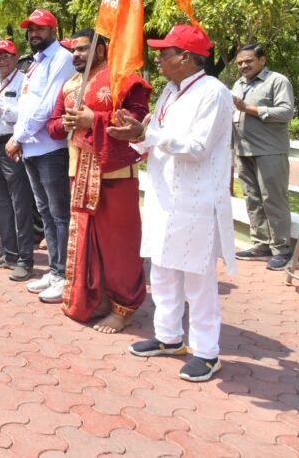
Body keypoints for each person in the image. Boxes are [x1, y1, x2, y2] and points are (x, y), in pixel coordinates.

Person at [110, 24, 234, 383]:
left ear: (187, 57)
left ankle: (208, 353)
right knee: (162, 271)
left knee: (198, 279)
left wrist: (146, 134)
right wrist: (136, 134)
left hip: (195, 200)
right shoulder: (170, 90)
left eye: (166, 53)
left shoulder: (214, 92)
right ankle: (168, 337)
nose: (159, 59)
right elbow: (156, 136)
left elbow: (197, 148)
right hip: (165, 197)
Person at [46, 30, 149, 329]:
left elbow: (137, 118)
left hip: (114, 173)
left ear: (102, 50)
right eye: (73, 51)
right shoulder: (70, 86)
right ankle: (93, 299)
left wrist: (95, 121)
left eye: (83, 50)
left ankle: (124, 307)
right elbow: (53, 126)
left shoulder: (122, 78)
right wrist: (64, 124)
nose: (76, 55)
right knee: (87, 241)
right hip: (79, 172)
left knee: (118, 243)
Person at [7, 9, 76, 303]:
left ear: (53, 30)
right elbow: (26, 105)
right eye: (30, 29)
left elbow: (47, 106)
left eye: (40, 29)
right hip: (32, 147)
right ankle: (54, 269)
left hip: (50, 149)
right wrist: (21, 139)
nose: (34, 34)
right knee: (45, 212)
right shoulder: (35, 62)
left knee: (60, 215)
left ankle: (64, 274)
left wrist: (17, 137)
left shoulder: (61, 58)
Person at [231, 43, 296, 270]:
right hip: (244, 150)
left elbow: (286, 112)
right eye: (240, 62)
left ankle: (282, 249)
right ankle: (261, 245)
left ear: (262, 60)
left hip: (269, 151)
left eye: (248, 61)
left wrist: (250, 108)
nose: (243, 66)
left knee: (273, 200)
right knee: (253, 200)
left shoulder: (277, 81)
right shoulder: (238, 84)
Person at [0, 40, 36, 280]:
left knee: (19, 202)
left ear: (15, 58)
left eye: (6, 56)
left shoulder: (23, 81)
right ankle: (10, 252)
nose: (1, 61)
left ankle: (25, 257)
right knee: (0, 201)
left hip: (12, 144)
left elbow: (19, 116)